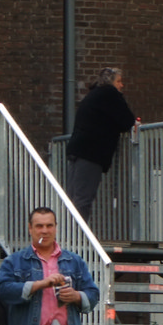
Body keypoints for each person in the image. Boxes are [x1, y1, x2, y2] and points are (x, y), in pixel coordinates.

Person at [65, 67, 136, 221]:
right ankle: (78, 232)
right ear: (111, 82)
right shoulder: (110, 94)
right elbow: (127, 120)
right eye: (119, 81)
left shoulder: (93, 95)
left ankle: (68, 230)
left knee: (72, 196)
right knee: (83, 198)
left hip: (78, 150)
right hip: (92, 152)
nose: (121, 85)